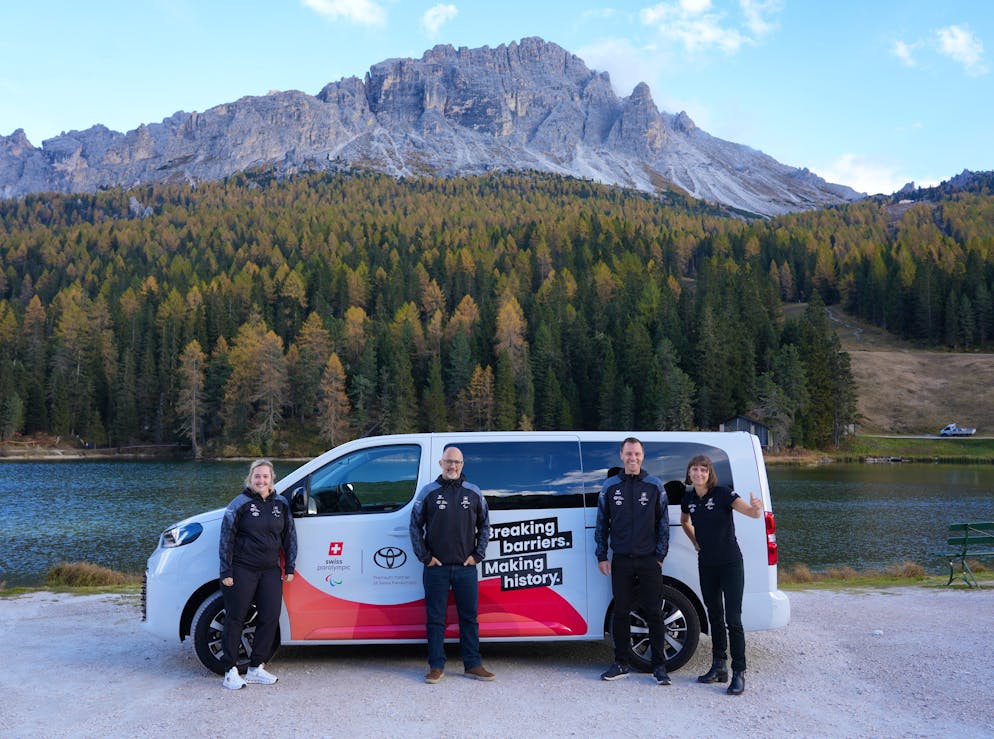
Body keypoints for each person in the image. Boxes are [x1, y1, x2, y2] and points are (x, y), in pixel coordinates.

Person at [409, 446, 495, 684]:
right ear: (440, 463)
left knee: (469, 618)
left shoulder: (474, 492)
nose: (452, 466)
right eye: (448, 462)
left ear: (462, 464)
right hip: (436, 568)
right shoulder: (428, 492)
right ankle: (436, 666)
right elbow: (414, 526)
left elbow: (485, 525)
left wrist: (477, 555)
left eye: (457, 462)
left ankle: (473, 664)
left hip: (466, 568)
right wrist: (425, 557)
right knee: (435, 618)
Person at [680, 454, 763, 696]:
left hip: (730, 563)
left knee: (733, 619)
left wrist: (756, 510)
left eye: (703, 470)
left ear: (709, 473)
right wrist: (696, 542)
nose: (698, 474)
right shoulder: (689, 499)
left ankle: (738, 672)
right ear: (689, 474)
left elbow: (749, 512)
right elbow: (685, 521)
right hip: (706, 563)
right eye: (694, 469)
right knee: (714, 615)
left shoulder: (724, 493)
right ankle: (719, 667)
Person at [594, 437, 671, 685]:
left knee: (654, 612)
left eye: (637, 454)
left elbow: (663, 523)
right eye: (628, 454)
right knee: (621, 611)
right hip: (621, 560)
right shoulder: (610, 486)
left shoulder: (654, 486)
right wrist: (601, 555)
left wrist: (660, 555)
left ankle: (659, 666)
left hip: (649, 559)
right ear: (621, 455)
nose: (633, 458)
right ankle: (621, 663)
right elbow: (601, 523)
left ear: (643, 455)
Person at [218, 459, 297, 690]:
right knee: (236, 618)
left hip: (270, 570)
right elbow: (226, 539)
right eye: (257, 476)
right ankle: (230, 670)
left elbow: (289, 536)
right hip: (242, 569)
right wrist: (226, 571)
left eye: (265, 476)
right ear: (250, 479)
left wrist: (289, 566)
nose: (261, 480)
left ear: (272, 479)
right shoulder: (239, 504)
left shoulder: (280, 503)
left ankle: (255, 668)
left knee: (270, 617)